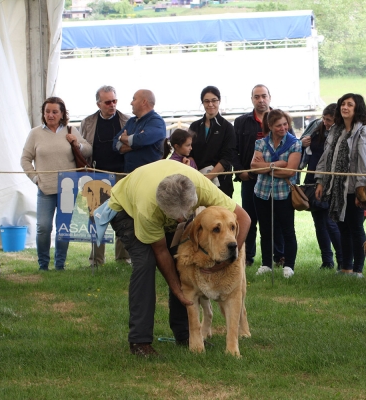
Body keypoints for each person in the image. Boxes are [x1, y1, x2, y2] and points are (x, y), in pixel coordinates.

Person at [103, 159, 251, 356]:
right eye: (176, 217)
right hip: (126, 210)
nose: (182, 220)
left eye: (186, 214)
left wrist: (230, 257)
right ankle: (140, 341)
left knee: (181, 261)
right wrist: (177, 289)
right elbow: (161, 252)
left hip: (162, 194)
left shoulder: (200, 186)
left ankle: (185, 335)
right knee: (145, 264)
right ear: (163, 210)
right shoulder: (148, 209)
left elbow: (244, 218)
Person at [21, 97, 92, 271]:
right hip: (45, 188)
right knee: (43, 227)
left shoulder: (70, 130)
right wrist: (35, 178)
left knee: (63, 227)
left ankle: (60, 265)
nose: (50, 115)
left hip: (68, 188)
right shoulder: (35, 133)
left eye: (54, 112)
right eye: (47, 112)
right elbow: (25, 159)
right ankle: (43, 265)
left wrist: (76, 143)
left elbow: (88, 149)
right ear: (43, 114)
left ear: (62, 114)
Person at [315, 93, 366, 278]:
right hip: (336, 188)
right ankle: (346, 267)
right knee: (342, 227)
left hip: (354, 190)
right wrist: (320, 181)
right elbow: (326, 158)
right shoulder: (335, 130)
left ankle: (358, 269)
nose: (345, 107)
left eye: (350, 104)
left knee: (356, 228)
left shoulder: (363, 132)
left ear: (357, 109)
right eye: (343, 104)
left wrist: (361, 193)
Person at [233, 84, 285, 267]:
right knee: (249, 219)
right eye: (257, 97)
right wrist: (241, 171)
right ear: (252, 99)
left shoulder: (281, 119)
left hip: (276, 180)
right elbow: (234, 150)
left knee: (277, 219)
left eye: (264, 96)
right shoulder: (241, 122)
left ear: (270, 97)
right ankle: (247, 256)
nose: (261, 100)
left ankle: (279, 255)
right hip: (251, 180)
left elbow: (291, 146)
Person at [79, 85, 130, 266]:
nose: (112, 105)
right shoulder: (87, 122)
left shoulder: (127, 120)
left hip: (123, 175)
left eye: (114, 101)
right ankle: (96, 260)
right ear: (98, 104)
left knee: (124, 217)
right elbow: (83, 148)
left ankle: (123, 258)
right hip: (97, 175)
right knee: (96, 217)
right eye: (108, 102)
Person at [251, 110, 302, 278]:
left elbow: (290, 171)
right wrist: (278, 164)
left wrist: (266, 168)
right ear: (271, 127)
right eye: (279, 125)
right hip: (262, 193)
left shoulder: (295, 143)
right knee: (265, 230)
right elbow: (253, 166)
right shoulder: (260, 143)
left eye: (285, 124)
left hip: (284, 193)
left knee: (287, 230)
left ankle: (289, 265)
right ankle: (266, 264)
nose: (283, 128)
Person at [301, 104, 343, 270]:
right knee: (318, 222)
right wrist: (303, 144)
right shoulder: (317, 127)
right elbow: (304, 150)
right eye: (324, 119)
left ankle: (343, 261)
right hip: (312, 178)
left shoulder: (340, 134)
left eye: (329, 120)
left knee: (330, 222)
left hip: (329, 182)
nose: (325, 122)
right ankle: (327, 260)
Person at [188, 86, 236, 197]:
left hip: (221, 183)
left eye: (214, 100)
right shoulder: (194, 126)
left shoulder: (227, 127)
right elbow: (189, 152)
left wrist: (208, 177)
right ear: (202, 103)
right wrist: (197, 175)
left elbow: (227, 158)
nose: (210, 104)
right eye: (206, 101)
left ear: (219, 101)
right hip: (198, 182)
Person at [113, 89, 166, 173]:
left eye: (134, 99)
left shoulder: (156, 122)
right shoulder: (131, 121)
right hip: (129, 175)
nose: (131, 103)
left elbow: (142, 140)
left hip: (148, 176)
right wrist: (135, 142)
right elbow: (115, 144)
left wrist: (123, 138)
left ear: (144, 102)